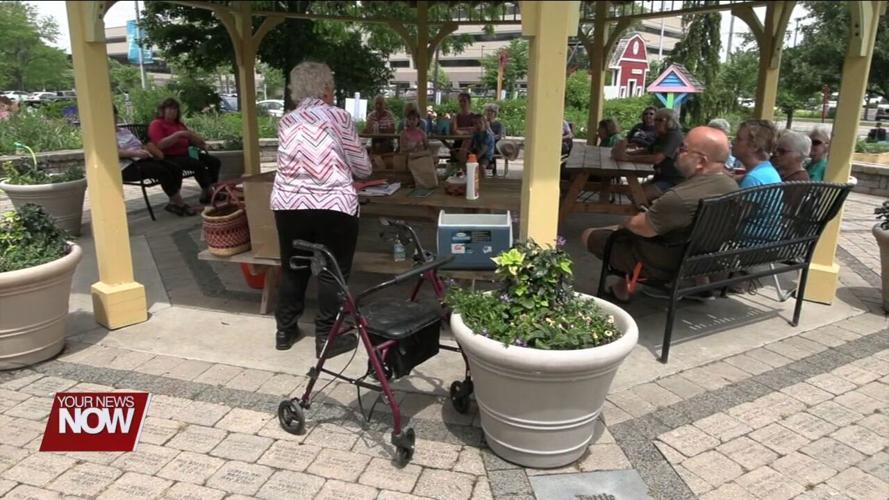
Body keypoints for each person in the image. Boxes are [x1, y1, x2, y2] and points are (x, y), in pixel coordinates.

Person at [272, 62, 372, 357]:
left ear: (296, 90)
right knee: (332, 270)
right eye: (332, 85)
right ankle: (328, 337)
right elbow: (363, 168)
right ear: (326, 88)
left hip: (289, 205)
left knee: (293, 267)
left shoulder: (286, 121)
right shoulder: (338, 117)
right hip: (333, 204)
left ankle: (285, 330)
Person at [582, 127, 739, 302]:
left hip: (666, 263)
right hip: (698, 257)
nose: (676, 153)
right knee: (631, 235)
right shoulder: (731, 186)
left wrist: (622, 225)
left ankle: (623, 288)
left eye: (683, 149)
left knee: (592, 235)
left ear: (701, 161)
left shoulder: (679, 198)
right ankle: (622, 287)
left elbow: (640, 228)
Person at [114, 107, 196, 216]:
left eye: (114, 114)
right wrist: (135, 153)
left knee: (174, 167)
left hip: (142, 159)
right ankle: (180, 203)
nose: (113, 118)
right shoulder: (106, 134)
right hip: (127, 166)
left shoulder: (124, 131)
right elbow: (115, 153)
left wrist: (148, 149)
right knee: (161, 171)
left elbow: (140, 144)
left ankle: (173, 202)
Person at [148, 98, 221, 204]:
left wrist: (197, 140)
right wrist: (178, 135)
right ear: (163, 110)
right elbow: (160, 145)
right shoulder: (157, 124)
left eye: (175, 109)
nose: (172, 111)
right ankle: (209, 191)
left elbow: (195, 140)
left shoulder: (179, 125)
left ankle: (209, 190)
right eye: (169, 108)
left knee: (214, 161)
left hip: (186, 153)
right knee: (197, 164)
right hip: (169, 157)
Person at [613, 108, 685, 202]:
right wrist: (626, 153)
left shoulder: (674, 135)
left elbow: (657, 159)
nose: (656, 122)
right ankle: (648, 212)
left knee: (638, 196)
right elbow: (648, 150)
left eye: (659, 120)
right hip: (661, 176)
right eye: (655, 119)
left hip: (673, 180)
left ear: (670, 121)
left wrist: (627, 158)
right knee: (632, 193)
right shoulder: (663, 134)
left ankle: (649, 214)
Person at [734, 119, 781, 188]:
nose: (733, 142)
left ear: (755, 146)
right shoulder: (765, 170)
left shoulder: (753, 179)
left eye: (739, 139)